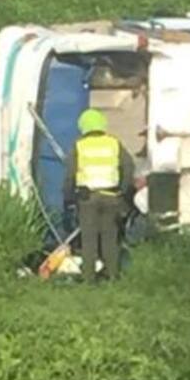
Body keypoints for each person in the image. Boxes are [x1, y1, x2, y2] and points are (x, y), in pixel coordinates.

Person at [64, 108, 135, 282]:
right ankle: (112, 276)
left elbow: (70, 174)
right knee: (110, 238)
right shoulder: (113, 143)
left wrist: (69, 197)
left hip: (87, 198)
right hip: (111, 197)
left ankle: (89, 278)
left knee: (89, 239)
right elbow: (129, 166)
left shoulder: (79, 145)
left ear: (83, 126)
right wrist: (122, 190)